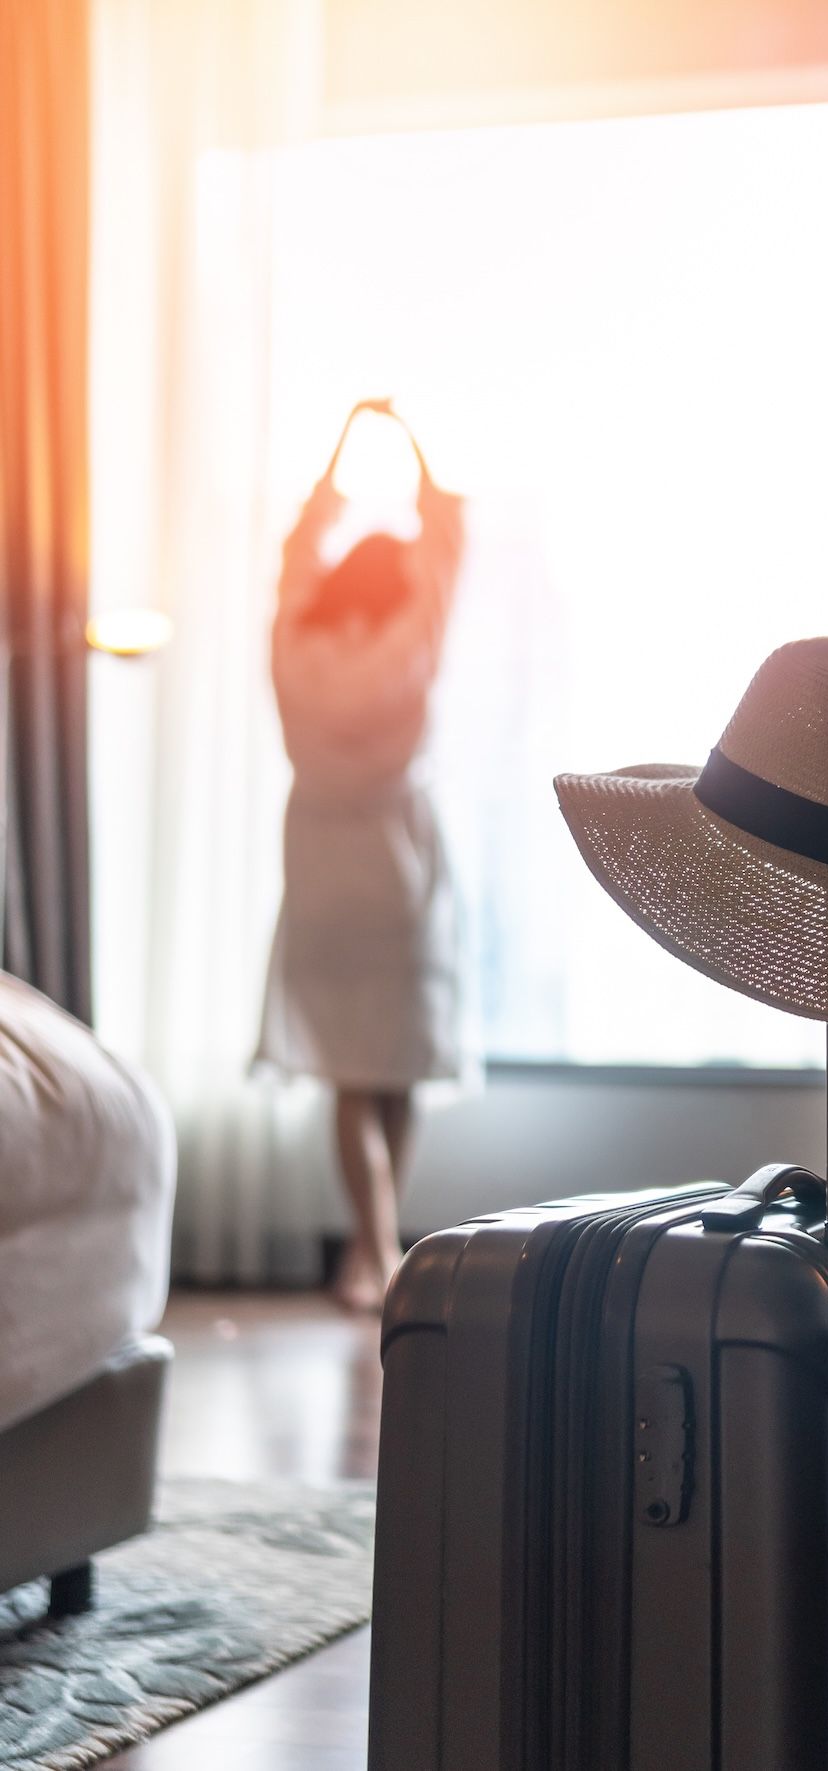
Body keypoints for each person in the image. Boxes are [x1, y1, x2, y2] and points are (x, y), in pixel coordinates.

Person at [255, 402, 465, 1311]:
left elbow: (297, 551)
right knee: (396, 1062)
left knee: (349, 1069)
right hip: (397, 864)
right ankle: (383, 1248)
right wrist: (407, 436)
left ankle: (366, 1249)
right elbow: (446, 538)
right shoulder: (410, 636)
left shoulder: (294, 639)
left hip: (319, 865)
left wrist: (345, 439)